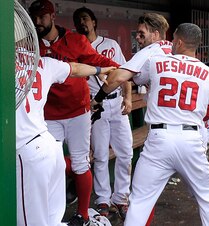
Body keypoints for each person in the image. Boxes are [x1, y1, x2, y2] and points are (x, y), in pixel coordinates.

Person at [92, 22, 209, 226]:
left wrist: (98, 98)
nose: (170, 43)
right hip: (191, 139)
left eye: (173, 40)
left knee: (140, 202)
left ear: (178, 42)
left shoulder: (156, 61)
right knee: (206, 199)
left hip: (158, 140)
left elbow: (120, 77)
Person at [28, 1, 122, 225]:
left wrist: (114, 73)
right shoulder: (30, 45)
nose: (38, 22)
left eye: (42, 17)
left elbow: (101, 63)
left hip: (78, 112)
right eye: (35, 17)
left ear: (52, 16)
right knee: (50, 163)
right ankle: (52, 214)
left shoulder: (75, 40)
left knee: (80, 163)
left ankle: (83, 213)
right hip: (48, 115)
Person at [16, 50, 114, 226]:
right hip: (49, 146)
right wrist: (99, 71)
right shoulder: (42, 61)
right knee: (52, 220)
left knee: (31, 222)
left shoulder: (6, 65)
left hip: (28, 150)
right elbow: (75, 68)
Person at [72, 7, 133, 219]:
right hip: (95, 106)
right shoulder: (76, 48)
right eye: (78, 20)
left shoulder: (110, 45)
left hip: (116, 104)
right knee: (99, 155)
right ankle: (103, 200)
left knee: (125, 152)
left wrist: (128, 97)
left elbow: (123, 72)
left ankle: (121, 198)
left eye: (85, 18)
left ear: (94, 22)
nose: (82, 22)